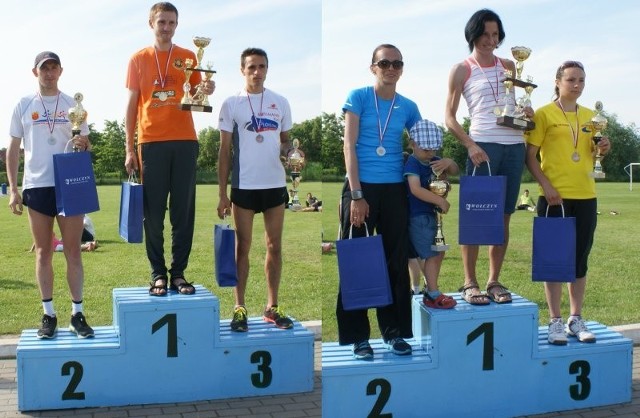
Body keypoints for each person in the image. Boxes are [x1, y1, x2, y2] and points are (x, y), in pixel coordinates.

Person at [124, 2, 215, 297]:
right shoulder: (138, 58)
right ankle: (157, 274)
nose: (166, 27)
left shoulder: (189, 57)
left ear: (177, 25)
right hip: (150, 142)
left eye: (172, 22)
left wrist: (207, 89)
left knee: (183, 211)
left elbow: (197, 98)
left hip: (185, 141)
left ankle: (178, 273)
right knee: (152, 214)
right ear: (151, 23)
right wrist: (129, 148)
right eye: (161, 22)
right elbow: (131, 106)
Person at [444, 9, 534, 305]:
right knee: (476, 216)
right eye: (485, 34)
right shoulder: (462, 69)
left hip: (514, 147)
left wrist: (526, 112)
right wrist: (470, 144)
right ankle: (469, 282)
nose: (490, 40)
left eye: (495, 35)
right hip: (483, 147)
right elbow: (450, 117)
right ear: (473, 34)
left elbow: (514, 105)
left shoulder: (509, 65)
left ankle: (494, 280)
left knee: (503, 218)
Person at [338, 44, 421, 360]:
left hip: (395, 190)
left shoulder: (409, 106)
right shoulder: (358, 97)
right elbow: (349, 145)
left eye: (397, 63)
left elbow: (422, 146)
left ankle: (395, 333)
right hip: (360, 189)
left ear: (402, 68)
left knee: (395, 264)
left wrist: (444, 163)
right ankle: (359, 337)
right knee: (356, 262)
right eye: (384, 62)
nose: (391, 68)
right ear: (373, 67)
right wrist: (357, 194)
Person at [7, 51, 94, 339]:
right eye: (44, 68)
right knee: (44, 252)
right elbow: (13, 148)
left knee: (73, 252)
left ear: (60, 71)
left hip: (69, 182)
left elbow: (86, 144)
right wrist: (14, 189)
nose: (49, 72)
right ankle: (48, 314)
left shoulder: (73, 105)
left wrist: (84, 142)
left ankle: (77, 313)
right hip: (37, 185)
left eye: (54, 67)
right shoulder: (24, 104)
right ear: (35, 72)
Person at [525, 60, 611, 345]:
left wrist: (603, 149)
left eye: (581, 80)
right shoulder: (544, 114)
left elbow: (591, 153)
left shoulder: (591, 117)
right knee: (553, 262)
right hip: (553, 198)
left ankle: (576, 318)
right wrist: (546, 185)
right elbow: (530, 157)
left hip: (586, 196)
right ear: (558, 81)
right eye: (571, 79)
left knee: (579, 261)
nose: (577, 85)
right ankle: (555, 321)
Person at [217, 47, 294, 332]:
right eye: (251, 67)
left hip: (274, 184)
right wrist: (222, 193)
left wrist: (291, 154)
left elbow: (285, 141)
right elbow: (224, 151)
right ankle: (240, 308)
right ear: (242, 70)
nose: (257, 72)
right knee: (243, 248)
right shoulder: (231, 104)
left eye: (261, 67)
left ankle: (272, 306)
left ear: (267, 69)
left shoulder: (280, 102)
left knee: (274, 246)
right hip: (244, 186)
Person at [404, 119, 459, 309]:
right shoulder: (412, 163)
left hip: (431, 216)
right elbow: (415, 189)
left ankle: (432, 289)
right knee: (432, 254)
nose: (431, 154)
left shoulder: (434, 160)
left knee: (438, 253)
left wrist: (449, 162)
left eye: (434, 150)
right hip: (418, 217)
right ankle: (432, 293)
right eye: (426, 150)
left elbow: (454, 170)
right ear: (412, 144)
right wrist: (439, 200)